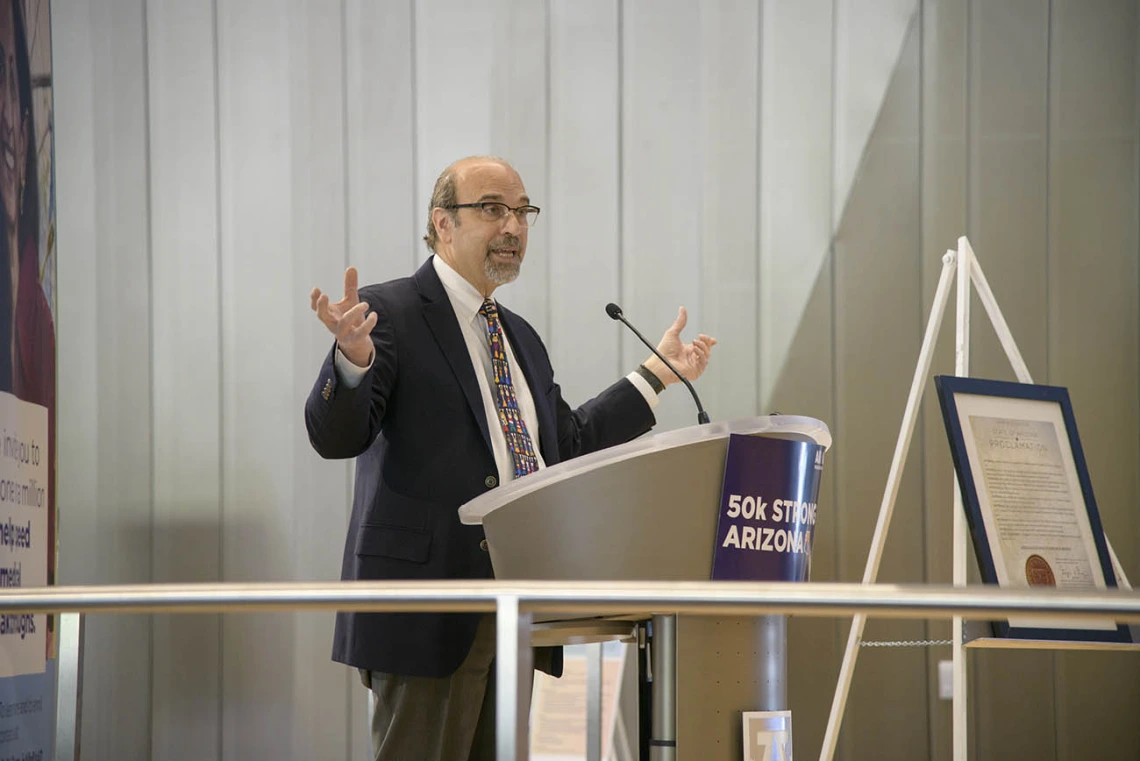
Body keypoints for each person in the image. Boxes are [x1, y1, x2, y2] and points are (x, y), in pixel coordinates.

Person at [305, 156, 716, 761]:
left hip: (515, 604)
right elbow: (335, 438)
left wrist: (656, 375)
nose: (514, 227)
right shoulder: (386, 313)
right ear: (443, 223)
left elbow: (566, 443)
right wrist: (352, 362)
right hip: (428, 607)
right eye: (494, 209)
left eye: (523, 212)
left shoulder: (519, 336)